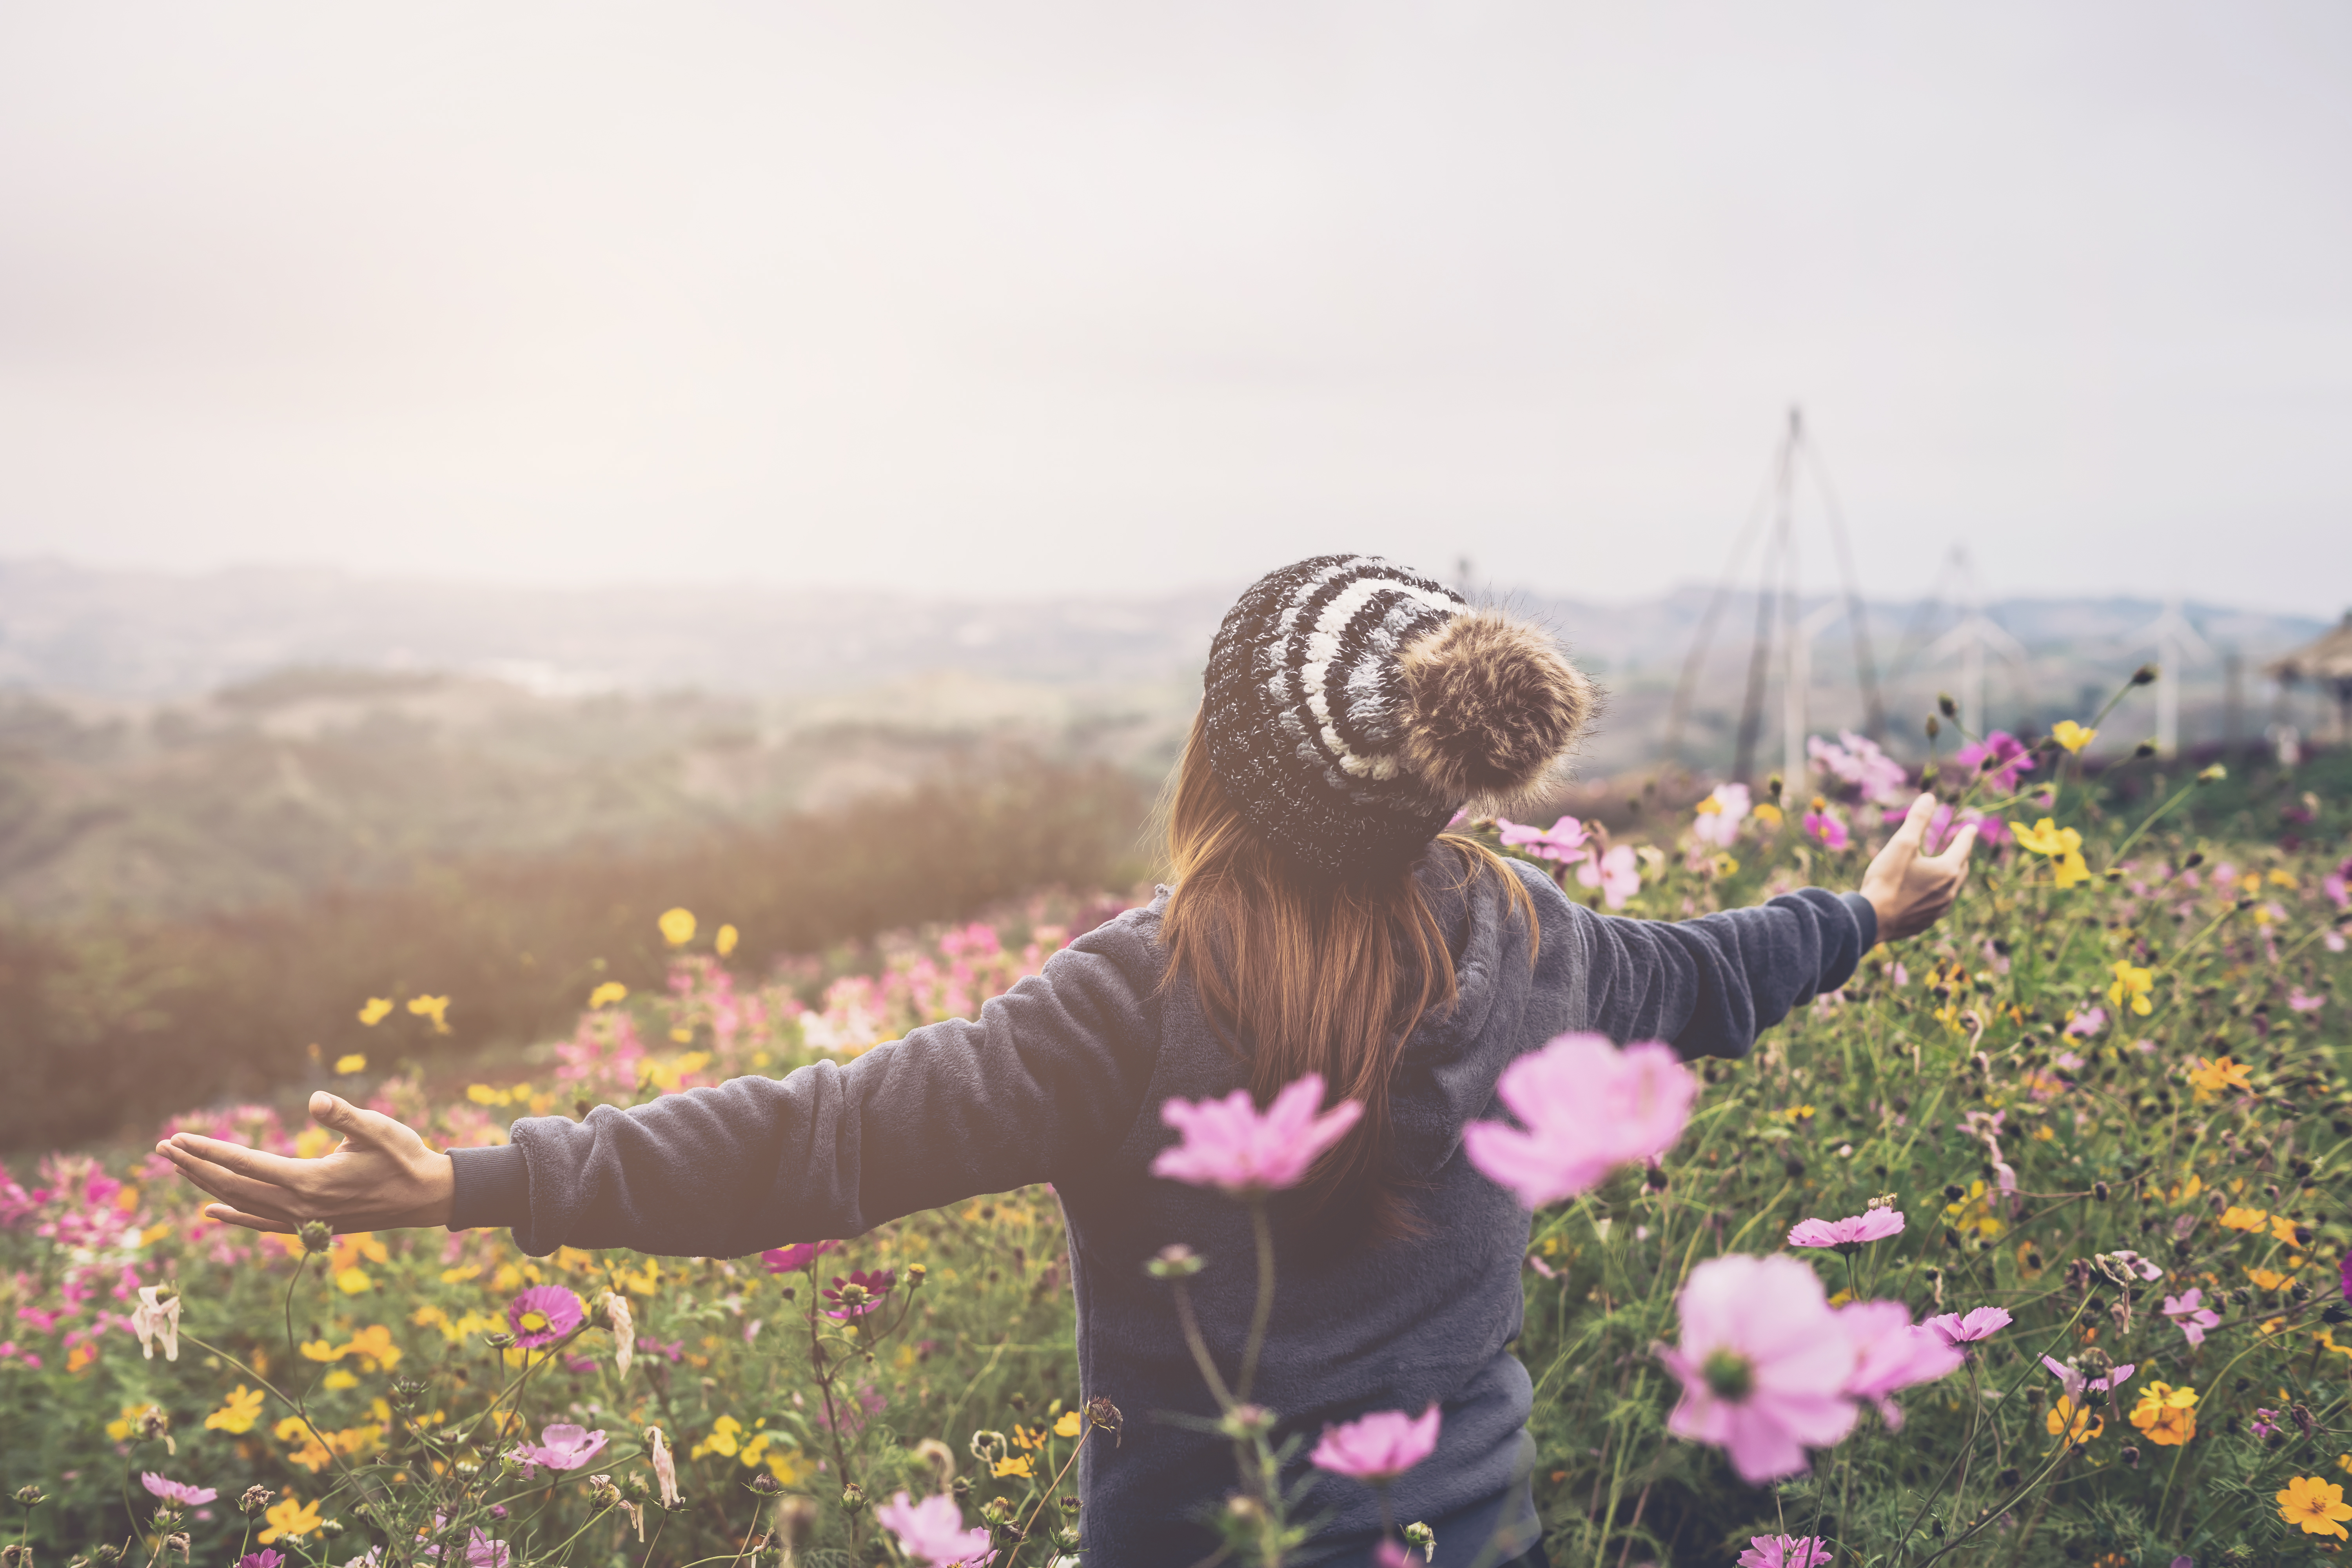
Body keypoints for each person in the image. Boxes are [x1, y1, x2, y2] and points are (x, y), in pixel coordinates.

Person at [160, 555, 1975, 1568]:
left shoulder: (1139, 994)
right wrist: (1872, 911)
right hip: (1469, 1537)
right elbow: (1714, 973)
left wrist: (475, 1179)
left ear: (1226, 761)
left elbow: (815, 1145)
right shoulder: (1528, 939)